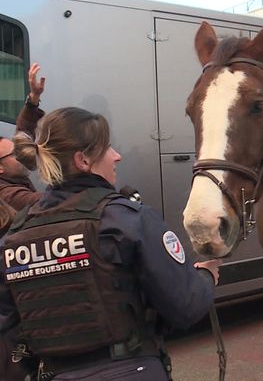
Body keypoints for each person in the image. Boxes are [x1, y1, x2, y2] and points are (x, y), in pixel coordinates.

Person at [0, 106, 221, 380]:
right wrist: (206, 276)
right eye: (107, 148)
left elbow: (8, 327)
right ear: (83, 160)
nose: (117, 156)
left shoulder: (15, 236)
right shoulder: (126, 220)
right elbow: (185, 306)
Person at [0, 63, 46, 211]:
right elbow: (44, 202)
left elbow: (23, 131)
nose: (21, 152)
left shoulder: (13, 178)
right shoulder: (6, 194)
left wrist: (33, 98)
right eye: (14, 153)